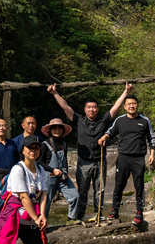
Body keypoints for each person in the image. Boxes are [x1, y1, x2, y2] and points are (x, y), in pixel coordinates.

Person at [47, 83, 130, 220]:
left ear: (97, 109)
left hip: (100, 161)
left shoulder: (103, 121)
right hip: (83, 162)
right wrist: (55, 93)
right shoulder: (79, 120)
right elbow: (66, 107)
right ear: (85, 109)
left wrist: (125, 92)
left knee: (100, 191)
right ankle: (79, 215)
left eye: (94, 107)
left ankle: (98, 214)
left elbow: (115, 108)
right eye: (89, 107)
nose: (92, 109)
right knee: (82, 191)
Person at [100, 94, 155, 225]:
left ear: (137, 105)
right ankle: (114, 210)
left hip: (138, 158)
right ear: (125, 106)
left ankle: (139, 212)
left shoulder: (144, 121)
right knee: (119, 184)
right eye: (129, 104)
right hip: (123, 157)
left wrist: (152, 154)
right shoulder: (120, 120)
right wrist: (104, 137)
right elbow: (110, 132)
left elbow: (151, 138)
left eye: (134, 103)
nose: (132, 106)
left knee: (139, 186)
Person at [38, 118, 80, 223]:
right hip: (49, 178)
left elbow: (64, 159)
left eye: (59, 128)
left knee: (74, 196)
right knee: (46, 202)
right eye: (54, 128)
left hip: (62, 178)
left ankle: (71, 218)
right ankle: (42, 224)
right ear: (50, 130)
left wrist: (65, 171)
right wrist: (53, 170)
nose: (57, 130)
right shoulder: (45, 144)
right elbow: (39, 162)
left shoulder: (64, 144)